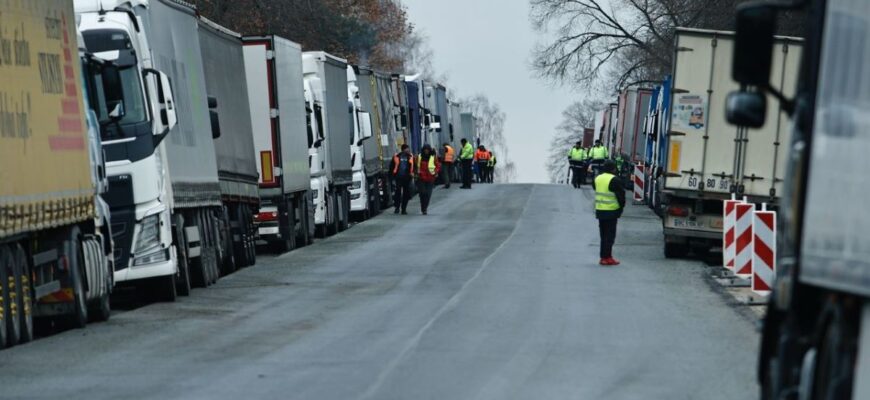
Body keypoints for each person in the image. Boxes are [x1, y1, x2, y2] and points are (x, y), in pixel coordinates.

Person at [595, 160, 625, 266]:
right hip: (611, 211)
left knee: (603, 236)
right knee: (610, 236)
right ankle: (607, 257)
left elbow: (596, 188)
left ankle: (604, 256)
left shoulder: (598, 178)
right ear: (613, 169)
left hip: (600, 211)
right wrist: (621, 208)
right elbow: (621, 196)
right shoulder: (614, 180)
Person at [417, 145, 441, 215]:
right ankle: (423, 207)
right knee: (423, 193)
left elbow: (437, 166)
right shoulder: (419, 157)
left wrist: (435, 172)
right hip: (421, 178)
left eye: (427, 149)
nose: (426, 151)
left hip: (430, 178)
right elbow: (415, 166)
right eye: (425, 149)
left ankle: (425, 208)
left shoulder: (433, 157)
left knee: (428, 194)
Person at [391, 144, 415, 214]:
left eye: (408, 149)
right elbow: (392, 166)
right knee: (397, 193)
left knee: (406, 194)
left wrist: (413, 174)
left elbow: (414, 166)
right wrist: (392, 176)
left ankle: (403, 209)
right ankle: (397, 207)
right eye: (407, 149)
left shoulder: (410, 157)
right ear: (403, 149)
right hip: (398, 177)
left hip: (407, 178)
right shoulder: (397, 156)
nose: (408, 150)